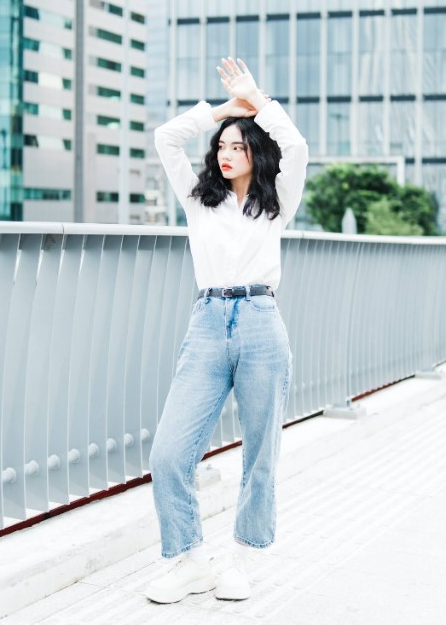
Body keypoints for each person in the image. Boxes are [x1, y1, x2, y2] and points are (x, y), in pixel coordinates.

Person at [144, 58, 309, 604]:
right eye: (222, 146)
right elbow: (166, 138)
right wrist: (221, 111)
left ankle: (241, 558)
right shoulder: (199, 200)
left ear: (256, 154)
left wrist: (258, 101)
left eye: (238, 146)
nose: (225, 153)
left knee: (260, 452)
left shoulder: (275, 203)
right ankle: (188, 557)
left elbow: (299, 149)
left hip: (262, 322)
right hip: (209, 323)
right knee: (169, 452)